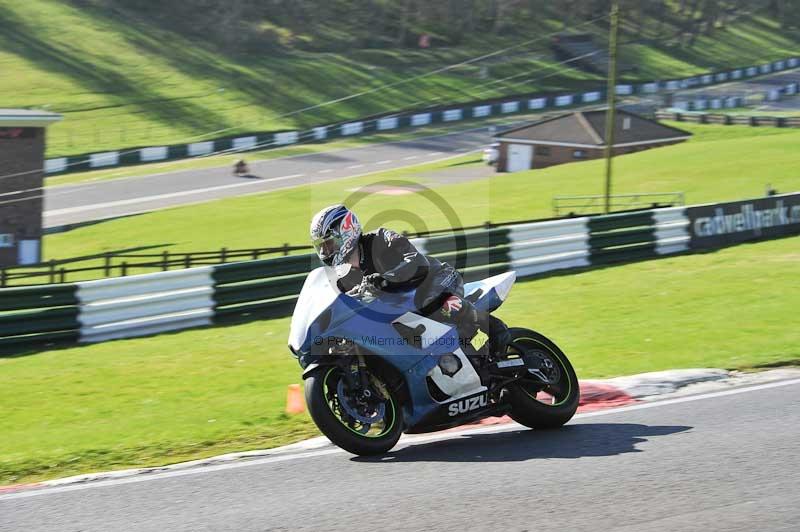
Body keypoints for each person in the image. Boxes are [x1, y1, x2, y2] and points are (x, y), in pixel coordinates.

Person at [310, 204, 510, 357]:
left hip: (436, 279)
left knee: (434, 305)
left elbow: (417, 262)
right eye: (322, 247)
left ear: (347, 231)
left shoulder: (381, 238)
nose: (326, 251)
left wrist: (382, 279)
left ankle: (495, 328)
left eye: (329, 243)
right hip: (404, 305)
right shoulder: (344, 275)